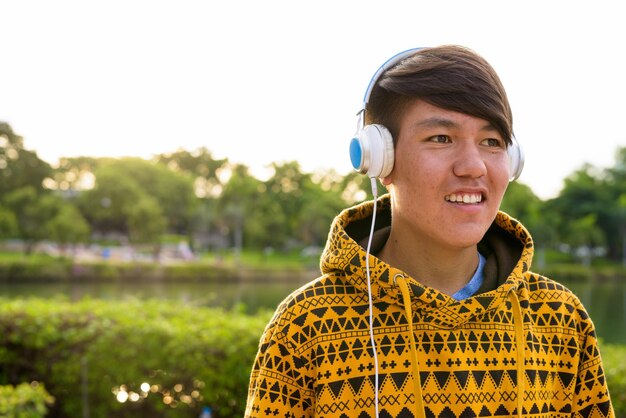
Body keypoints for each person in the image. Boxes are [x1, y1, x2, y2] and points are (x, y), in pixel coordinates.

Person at [244, 45, 615, 418]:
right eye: (441, 138)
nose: (473, 167)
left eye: (491, 142)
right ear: (380, 159)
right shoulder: (306, 325)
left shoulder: (560, 318)